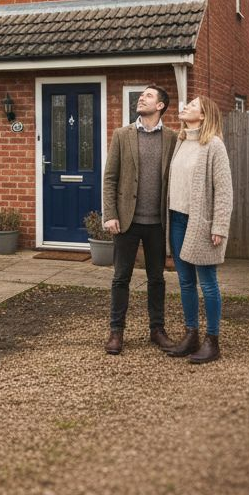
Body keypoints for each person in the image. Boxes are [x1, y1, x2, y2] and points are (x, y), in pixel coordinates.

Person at [101, 85, 178, 355]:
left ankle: (157, 330)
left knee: (157, 278)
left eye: (148, 96)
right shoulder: (122, 135)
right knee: (121, 277)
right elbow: (110, 178)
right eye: (141, 95)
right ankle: (116, 331)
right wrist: (110, 214)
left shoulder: (172, 138)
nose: (141, 98)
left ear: (160, 106)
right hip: (127, 221)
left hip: (158, 222)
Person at [165, 96, 234, 364]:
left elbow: (224, 191)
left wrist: (219, 226)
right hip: (177, 219)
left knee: (207, 282)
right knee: (185, 281)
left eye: (192, 106)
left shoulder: (214, 145)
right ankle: (191, 335)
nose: (185, 107)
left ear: (204, 116)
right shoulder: (181, 141)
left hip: (200, 223)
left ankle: (212, 341)